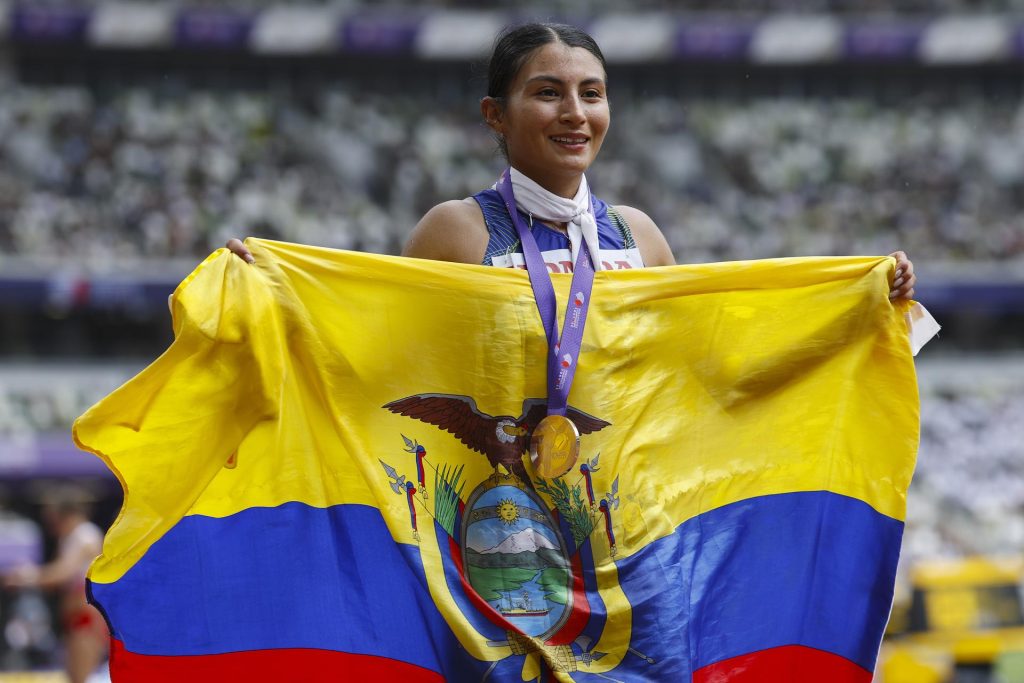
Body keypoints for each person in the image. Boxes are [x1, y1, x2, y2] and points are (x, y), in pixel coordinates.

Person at [227, 22, 917, 296]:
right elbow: (378, 352)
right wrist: (281, 290)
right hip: (493, 530)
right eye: (548, 93)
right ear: (494, 114)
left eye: (592, 93)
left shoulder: (639, 236)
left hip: (621, 524)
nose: (575, 113)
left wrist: (853, 299)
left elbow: (708, 359)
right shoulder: (456, 231)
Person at [4, 487, 107, 683]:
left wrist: (26, 576)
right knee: (73, 677)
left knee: (81, 678)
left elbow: (63, 572)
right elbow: (59, 582)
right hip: (73, 618)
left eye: (53, 519)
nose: (51, 526)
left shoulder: (85, 536)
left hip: (85, 619)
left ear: (66, 514)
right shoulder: (68, 538)